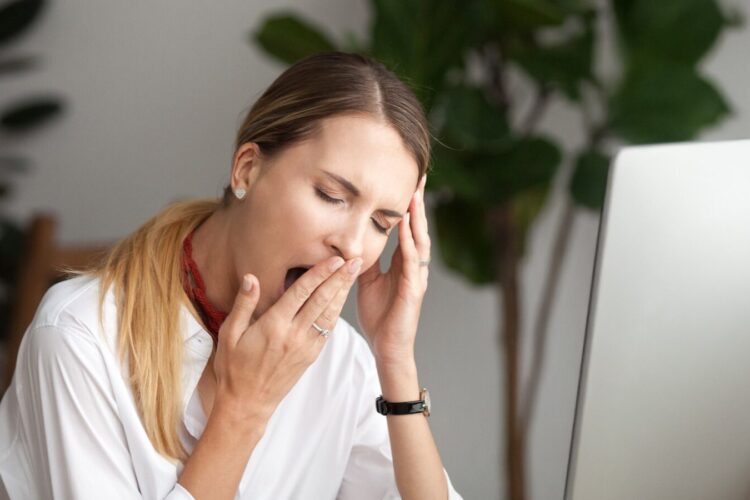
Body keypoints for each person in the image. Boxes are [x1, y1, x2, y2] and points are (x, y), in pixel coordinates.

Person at [0, 51, 462, 499]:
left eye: (382, 223)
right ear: (247, 169)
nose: (354, 245)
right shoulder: (78, 337)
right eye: (331, 195)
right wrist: (244, 411)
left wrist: (395, 358)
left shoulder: (343, 361)